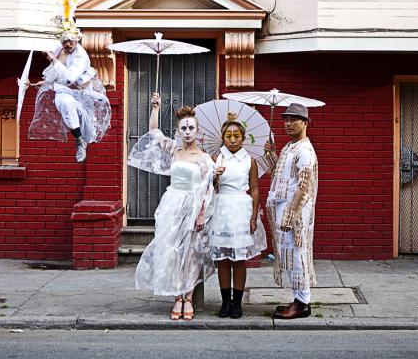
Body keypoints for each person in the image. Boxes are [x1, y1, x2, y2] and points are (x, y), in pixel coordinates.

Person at [128, 93, 215, 321]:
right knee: (173, 251)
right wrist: (155, 107)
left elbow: (207, 189)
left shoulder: (204, 158)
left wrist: (201, 215)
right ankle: (177, 296)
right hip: (172, 206)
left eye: (191, 128)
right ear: (178, 131)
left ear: (197, 131)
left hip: (193, 207)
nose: (187, 132)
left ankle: (188, 297)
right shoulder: (174, 151)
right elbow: (154, 133)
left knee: (191, 253)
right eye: (183, 128)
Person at [264, 103, 318, 320]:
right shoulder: (289, 147)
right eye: (285, 120)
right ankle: (298, 298)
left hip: (294, 215)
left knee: (297, 256)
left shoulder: (305, 150)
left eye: (293, 120)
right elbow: (279, 176)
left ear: (305, 123)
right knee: (290, 255)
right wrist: (270, 154)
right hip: (284, 210)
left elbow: (304, 186)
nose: (287, 124)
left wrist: (290, 215)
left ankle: (303, 304)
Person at [210, 113, 267, 319]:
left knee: (239, 260)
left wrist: (253, 217)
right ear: (223, 137)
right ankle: (225, 302)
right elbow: (210, 189)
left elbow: (254, 189)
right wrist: (214, 176)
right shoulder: (217, 158)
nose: (232, 139)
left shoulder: (249, 160)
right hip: (222, 208)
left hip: (241, 211)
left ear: (243, 137)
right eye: (228, 136)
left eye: (236, 135)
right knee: (224, 260)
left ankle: (237, 303)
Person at [28, 34, 111, 163]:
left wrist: (52, 58)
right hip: (64, 92)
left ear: (77, 39)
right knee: (65, 103)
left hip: (82, 94)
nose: (67, 44)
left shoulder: (81, 56)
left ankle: (87, 133)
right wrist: (39, 83)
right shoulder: (58, 49)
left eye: (70, 41)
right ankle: (79, 140)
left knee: (89, 136)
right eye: (64, 41)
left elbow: (69, 77)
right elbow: (56, 75)